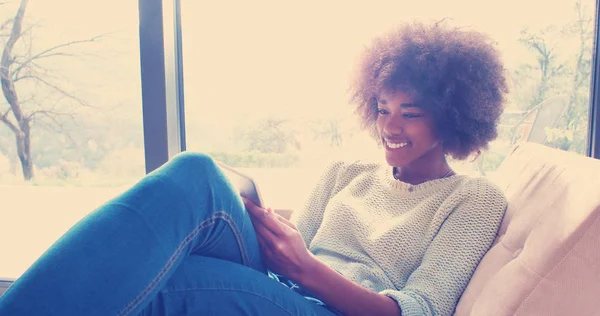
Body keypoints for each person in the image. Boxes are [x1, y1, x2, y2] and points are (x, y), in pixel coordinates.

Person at [0, 21, 509, 316]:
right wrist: (277, 238)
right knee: (195, 177)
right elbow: (287, 256)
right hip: (284, 290)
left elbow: (421, 309)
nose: (389, 126)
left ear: (453, 117)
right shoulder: (345, 172)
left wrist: (305, 267)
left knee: (169, 280)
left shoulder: (473, 200)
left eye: (411, 113)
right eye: (382, 108)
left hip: (331, 311)